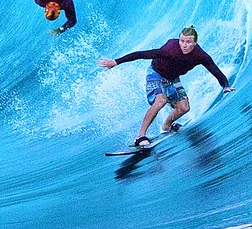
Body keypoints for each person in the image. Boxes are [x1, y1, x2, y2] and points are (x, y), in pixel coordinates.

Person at [99, 25, 234, 147]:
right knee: (161, 100)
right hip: (156, 74)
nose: (184, 45)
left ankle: (167, 125)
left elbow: (214, 70)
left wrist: (225, 86)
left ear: (195, 43)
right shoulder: (170, 50)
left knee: (184, 108)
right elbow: (142, 54)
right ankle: (140, 136)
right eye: (182, 41)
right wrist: (116, 62)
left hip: (173, 78)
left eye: (188, 42)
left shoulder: (200, 55)